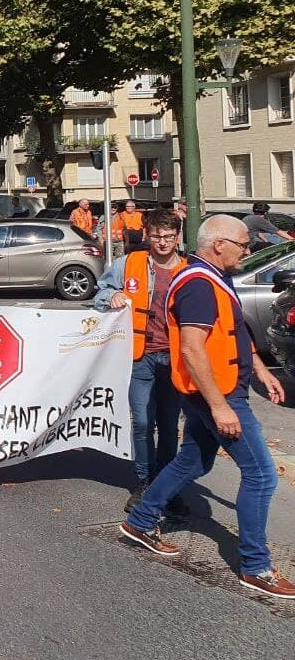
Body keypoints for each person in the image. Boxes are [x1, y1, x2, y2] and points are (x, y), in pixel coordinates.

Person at [120, 215, 294, 599]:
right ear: (218, 244)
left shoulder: (213, 277)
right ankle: (255, 566)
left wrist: (262, 372)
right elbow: (192, 348)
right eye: (243, 244)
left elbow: (234, 334)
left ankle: (141, 521)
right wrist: (220, 407)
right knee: (262, 475)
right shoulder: (198, 285)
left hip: (219, 390)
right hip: (219, 394)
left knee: (193, 462)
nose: (247, 250)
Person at [93, 209, 187, 512]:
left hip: (174, 358)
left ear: (177, 237)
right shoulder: (129, 263)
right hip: (140, 356)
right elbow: (101, 292)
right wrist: (112, 297)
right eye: (157, 236)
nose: (162, 242)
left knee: (169, 425)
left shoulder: (189, 268)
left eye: (169, 237)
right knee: (144, 422)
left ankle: (166, 484)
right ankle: (145, 482)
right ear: (147, 235)